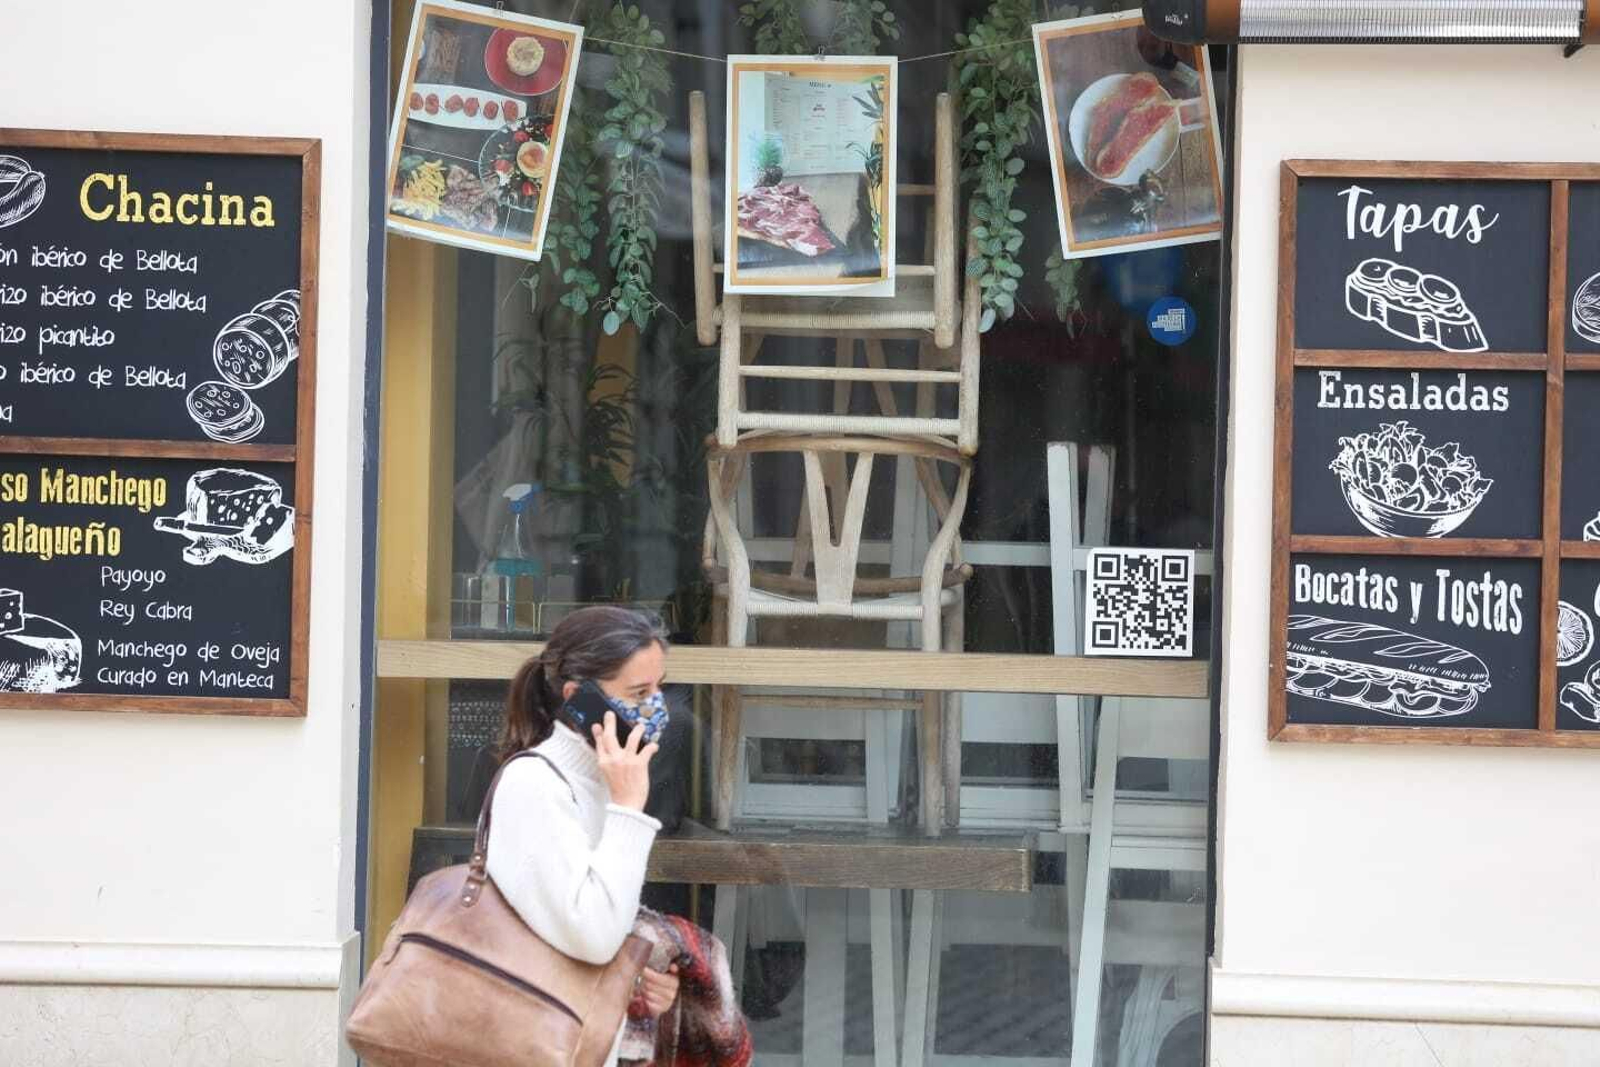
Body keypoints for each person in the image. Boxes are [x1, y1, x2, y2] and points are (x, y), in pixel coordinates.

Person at [487, 606, 681, 1064]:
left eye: (659, 687)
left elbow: (596, 934)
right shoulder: (535, 786)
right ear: (579, 698)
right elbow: (592, 934)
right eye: (638, 693)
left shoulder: (602, 782)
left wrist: (645, 987)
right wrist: (629, 809)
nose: (657, 707)